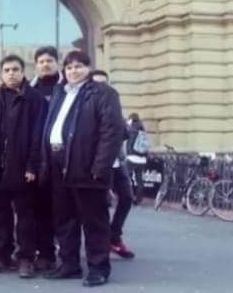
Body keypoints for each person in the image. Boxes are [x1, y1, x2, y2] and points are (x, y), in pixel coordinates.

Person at [42, 51, 125, 287]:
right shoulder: (60, 92)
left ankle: (98, 268)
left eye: (78, 66)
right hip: (58, 163)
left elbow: (111, 132)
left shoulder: (103, 93)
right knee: (64, 219)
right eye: (69, 67)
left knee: (94, 221)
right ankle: (69, 264)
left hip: (87, 165)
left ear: (88, 68)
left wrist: (100, 166)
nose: (73, 71)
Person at [0, 56, 47, 278]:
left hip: (22, 169)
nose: (11, 73)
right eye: (7, 70)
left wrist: (32, 165)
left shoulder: (35, 99)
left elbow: (38, 135)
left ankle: (26, 258)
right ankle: (1, 256)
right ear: (1, 74)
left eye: (15, 69)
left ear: (23, 72)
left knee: (25, 216)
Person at [91, 70, 136, 261]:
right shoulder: (87, 105)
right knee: (100, 205)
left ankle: (114, 236)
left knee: (126, 197)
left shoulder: (113, 101)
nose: (101, 87)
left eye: (104, 83)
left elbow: (124, 133)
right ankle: (100, 244)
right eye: (97, 83)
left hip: (117, 161)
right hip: (98, 163)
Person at [29, 46, 61, 272]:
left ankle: (68, 255)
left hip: (62, 158)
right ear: (36, 66)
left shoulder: (66, 89)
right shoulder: (30, 91)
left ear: (57, 63)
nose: (45, 64)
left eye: (49, 60)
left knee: (64, 210)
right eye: (41, 61)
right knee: (39, 209)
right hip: (37, 158)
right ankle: (45, 252)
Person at [125, 112, 146, 205]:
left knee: (125, 178)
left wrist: (127, 125)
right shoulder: (142, 129)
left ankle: (127, 197)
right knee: (139, 180)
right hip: (142, 159)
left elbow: (123, 136)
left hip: (132, 157)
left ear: (131, 119)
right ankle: (138, 199)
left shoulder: (131, 128)